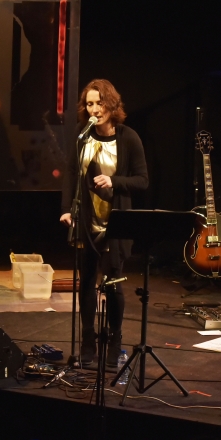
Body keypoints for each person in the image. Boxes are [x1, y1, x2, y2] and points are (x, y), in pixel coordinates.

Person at [59, 79, 148, 366]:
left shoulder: (128, 137)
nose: (94, 109)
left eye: (99, 103)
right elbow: (71, 173)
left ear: (111, 104)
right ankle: (87, 343)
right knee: (86, 282)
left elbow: (142, 181)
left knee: (113, 283)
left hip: (115, 221)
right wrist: (66, 209)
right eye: (89, 104)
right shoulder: (81, 135)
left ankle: (114, 341)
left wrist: (114, 180)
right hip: (86, 218)